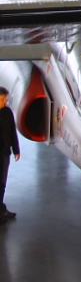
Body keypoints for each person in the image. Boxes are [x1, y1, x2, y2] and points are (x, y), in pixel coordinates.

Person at [0, 87, 20, 226]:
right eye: (2, 99)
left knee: (2, 184)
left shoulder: (7, 112)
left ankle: (1, 209)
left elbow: (13, 131)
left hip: (4, 153)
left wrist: (16, 149)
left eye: (5, 98)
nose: (5, 101)